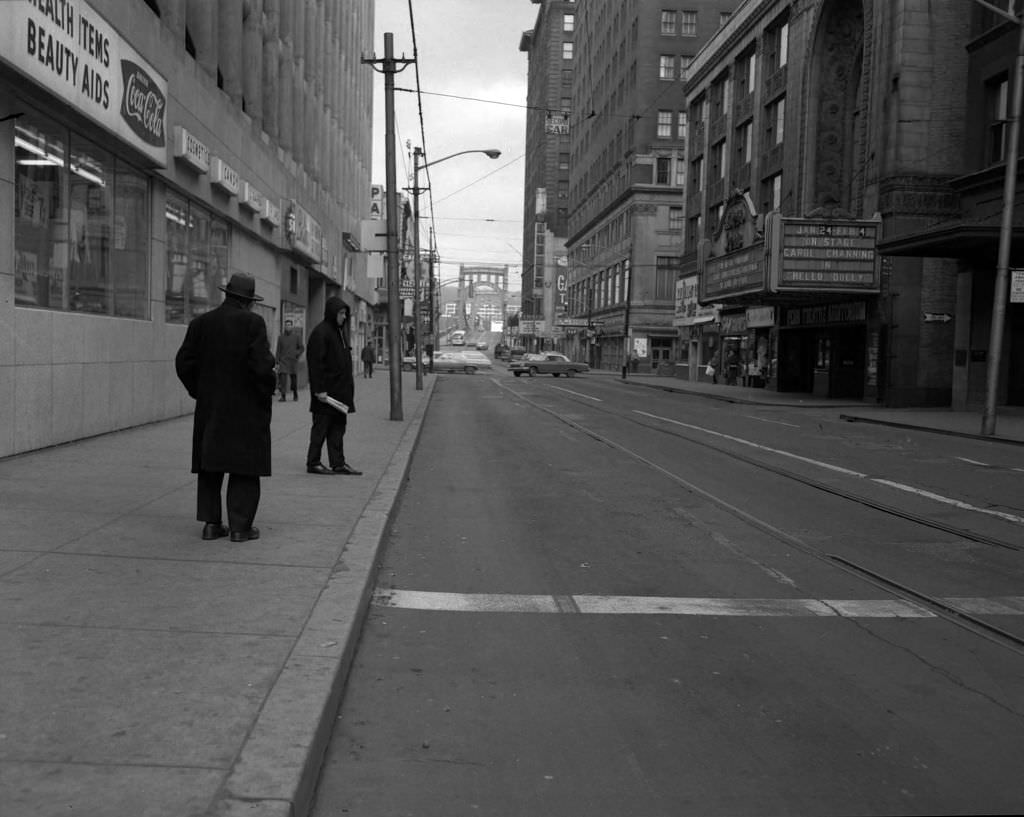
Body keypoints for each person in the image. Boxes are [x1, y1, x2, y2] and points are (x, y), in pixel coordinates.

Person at [175, 273, 277, 542]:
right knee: (244, 467)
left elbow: (184, 362)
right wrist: (265, 392)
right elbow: (263, 367)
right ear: (248, 301)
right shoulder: (253, 324)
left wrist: (199, 390)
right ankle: (239, 527)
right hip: (245, 409)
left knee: (210, 465)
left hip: (211, 407)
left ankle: (211, 524)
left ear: (228, 295)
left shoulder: (201, 323)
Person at [305, 297, 362, 476]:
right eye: (341, 313)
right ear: (332, 313)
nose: (344, 317)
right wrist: (319, 389)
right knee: (320, 429)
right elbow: (315, 364)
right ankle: (313, 462)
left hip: (339, 394)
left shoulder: (338, 332)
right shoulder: (321, 333)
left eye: (345, 313)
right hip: (326, 394)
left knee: (338, 429)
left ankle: (338, 463)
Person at [275, 319, 304, 400]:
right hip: (283, 361)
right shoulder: (280, 337)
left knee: (293, 379)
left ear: (292, 326)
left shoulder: (296, 336)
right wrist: (277, 361)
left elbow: (301, 348)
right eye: (286, 325)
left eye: (289, 325)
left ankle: (295, 394)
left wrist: (296, 354)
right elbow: (278, 350)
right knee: (283, 379)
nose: (288, 327)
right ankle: (283, 396)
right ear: (285, 326)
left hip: (293, 361)